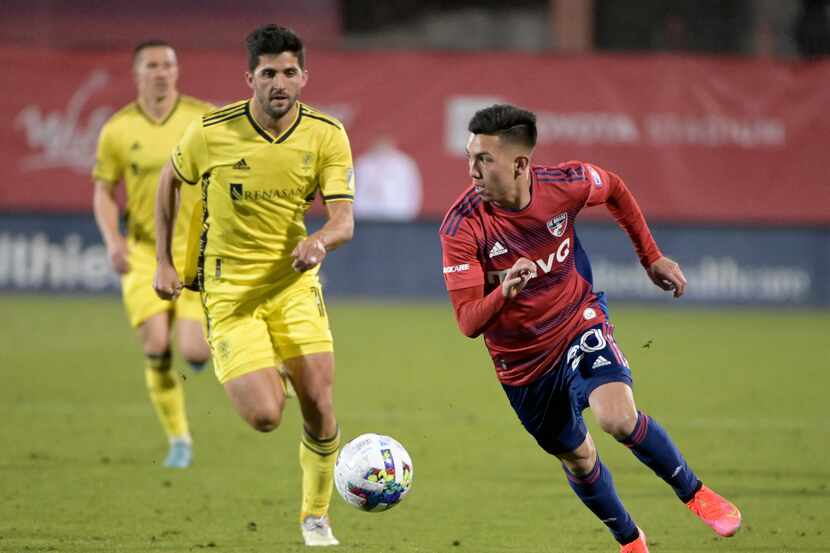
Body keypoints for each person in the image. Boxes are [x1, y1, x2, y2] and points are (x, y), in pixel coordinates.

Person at [439, 104, 741, 553]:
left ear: (520, 163)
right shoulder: (462, 226)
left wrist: (651, 256)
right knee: (579, 459)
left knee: (617, 418)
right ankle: (630, 539)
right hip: (521, 363)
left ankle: (696, 494)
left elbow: (614, 188)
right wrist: (503, 293)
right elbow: (467, 321)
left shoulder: (565, 184)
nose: (473, 170)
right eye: (470, 158)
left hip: (577, 320)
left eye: (484, 159)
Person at [153, 25, 355, 547]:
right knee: (266, 416)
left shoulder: (326, 134)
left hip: (292, 285)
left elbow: (343, 220)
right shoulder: (211, 132)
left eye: (290, 72)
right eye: (268, 73)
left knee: (321, 405)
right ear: (250, 79)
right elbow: (169, 180)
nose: (280, 82)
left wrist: (319, 243)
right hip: (230, 295)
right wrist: (164, 263)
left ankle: (315, 517)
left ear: (304, 76)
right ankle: (275, 369)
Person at [92, 40, 213, 469]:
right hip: (145, 251)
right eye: (153, 65)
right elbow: (104, 191)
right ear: (137, 73)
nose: (162, 72)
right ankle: (179, 439)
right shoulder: (118, 129)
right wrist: (112, 240)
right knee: (157, 345)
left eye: (169, 64)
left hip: (194, 254)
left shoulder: (202, 119)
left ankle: (198, 353)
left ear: (177, 71)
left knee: (196, 352)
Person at [353, 136, 422, 221]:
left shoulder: (404, 164)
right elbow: (353, 191)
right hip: (366, 218)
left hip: (397, 218)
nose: (382, 146)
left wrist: (408, 215)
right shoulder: (362, 164)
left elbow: (413, 192)